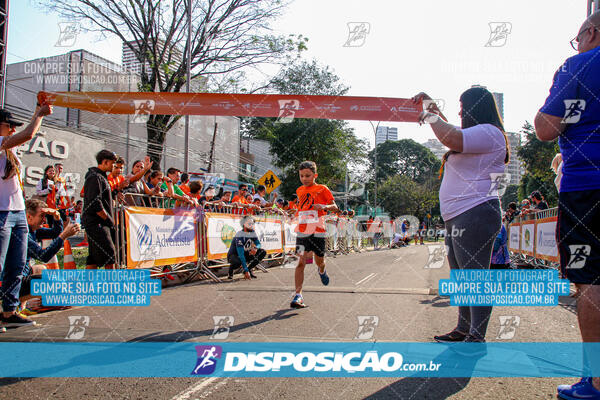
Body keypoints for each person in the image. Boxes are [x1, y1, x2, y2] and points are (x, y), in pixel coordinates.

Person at [535, 10, 600, 398]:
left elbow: (545, 128)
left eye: (578, 38)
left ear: (590, 32)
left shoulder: (581, 63)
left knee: (591, 280)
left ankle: (594, 381)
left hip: (588, 187)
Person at [413, 86, 507, 344]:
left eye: (464, 106)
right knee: (462, 277)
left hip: (475, 211)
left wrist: (430, 115)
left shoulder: (490, 133)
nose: (460, 111)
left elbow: (451, 136)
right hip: (458, 215)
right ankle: (464, 328)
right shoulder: (477, 134)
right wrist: (430, 107)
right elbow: (451, 130)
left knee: (474, 276)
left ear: (476, 107)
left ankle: (476, 335)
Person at [0, 104, 52, 329]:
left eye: (14, 126)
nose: (12, 129)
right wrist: (39, 114)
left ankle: (10, 311)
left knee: (17, 263)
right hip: (1, 212)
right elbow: (29, 134)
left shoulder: (9, 151)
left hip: (18, 211)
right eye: (9, 125)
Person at [290, 161, 338, 309]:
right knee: (300, 262)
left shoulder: (322, 189)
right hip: (302, 231)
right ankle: (298, 295)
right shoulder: (299, 190)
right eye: (302, 176)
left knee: (319, 261)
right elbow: (302, 207)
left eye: (308, 176)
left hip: (318, 231)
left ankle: (322, 270)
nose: (304, 178)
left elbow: (335, 207)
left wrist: (324, 206)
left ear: (315, 175)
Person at [22, 199, 80, 312]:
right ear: (29, 217)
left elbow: (55, 232)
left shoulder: (32, 230)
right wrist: (64, 236)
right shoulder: (23, 235)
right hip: (11, 284)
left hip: (20, 276)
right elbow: (44, 256)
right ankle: (14, 305)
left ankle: (23, 306)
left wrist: (57, 217)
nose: (44, 220)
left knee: (41, 269)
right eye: (42, 216)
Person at [82, 150, 117, 270]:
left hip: (97, 222)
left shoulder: (101, 177)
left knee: (93, 256)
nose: (114, 166)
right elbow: (95, 202)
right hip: (96, 222)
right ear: (105, 162)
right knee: (110, 254)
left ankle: (88, 285)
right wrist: (108, 220)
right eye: (112, 163)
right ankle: (111, 286)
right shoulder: (95, 177)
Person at [226, 215, 266, 280]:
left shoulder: (252, 232)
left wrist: (256, 248)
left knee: (262, 252)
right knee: (238, 261)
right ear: (244, 224)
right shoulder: (239, 235)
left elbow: (258, 243)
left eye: (253, 224)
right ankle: (231, 270)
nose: (252, 225)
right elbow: (241, 255)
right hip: (234, 255)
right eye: (250, 224)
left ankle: (248, 269)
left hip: (244, 253)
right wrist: (246, 270)